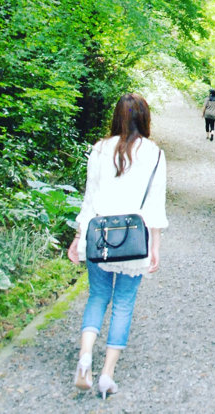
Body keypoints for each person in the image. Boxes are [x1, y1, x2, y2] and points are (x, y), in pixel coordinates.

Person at [67, 92, 168, 399]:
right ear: (145, 118)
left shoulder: (99, 149)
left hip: (99, 237)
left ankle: (85, 358)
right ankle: (106, 375)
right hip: (134, 241)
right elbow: (155, 206)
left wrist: (78, 237)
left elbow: (89, 198)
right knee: (123, 302)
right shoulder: (154, 153)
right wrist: (155, 246)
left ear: (116, 117)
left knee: (97, 296)